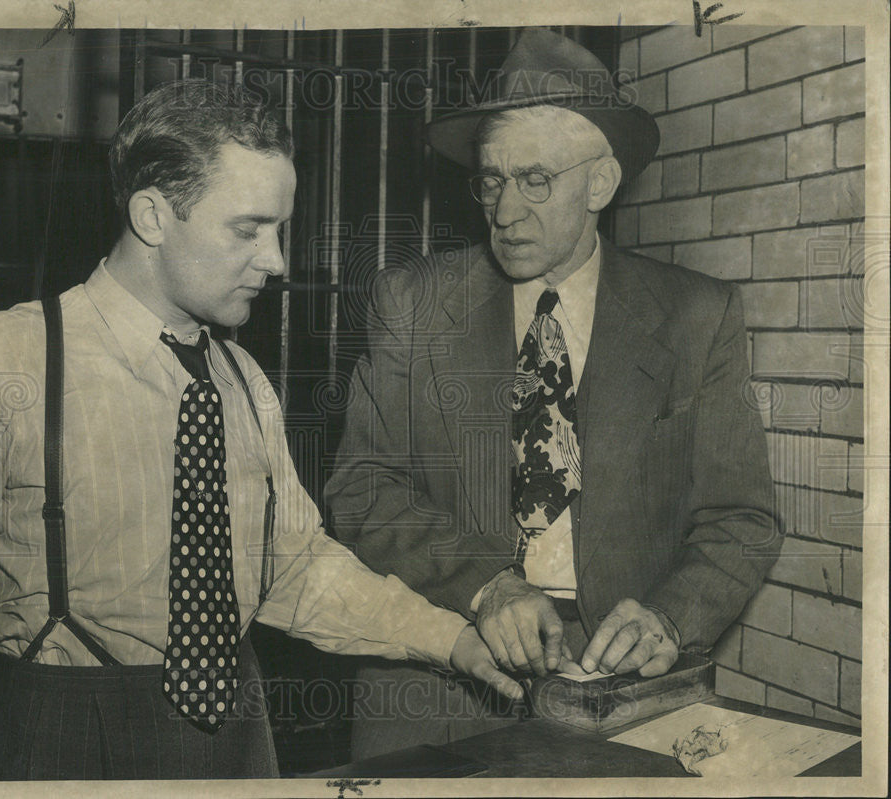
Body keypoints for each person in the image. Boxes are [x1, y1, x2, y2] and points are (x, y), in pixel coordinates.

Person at [0, 79, 522, 781]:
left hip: (235, 738)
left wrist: (454, 640)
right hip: (60, 740)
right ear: (152, 216)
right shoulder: (5, 358)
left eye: (280, 230)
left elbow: (295, 568)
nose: (276, 261)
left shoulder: (243, 381)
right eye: (248, 229)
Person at [325, 27, 782, 760]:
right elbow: (359, 488)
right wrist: (488, 585)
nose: (504, 212)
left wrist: (669, 615)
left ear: (600, 183)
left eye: (534, 179)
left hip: (625, 692)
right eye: (491, 180)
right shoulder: (412, 302)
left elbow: (741, 518)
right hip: (439, 676)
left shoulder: (699, 315)